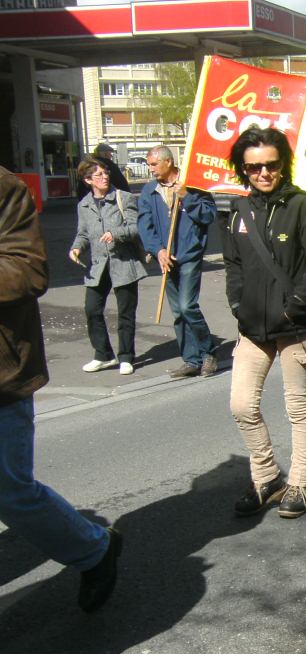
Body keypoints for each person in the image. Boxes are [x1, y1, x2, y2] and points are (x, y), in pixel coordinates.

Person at [1, 166, 123, 612]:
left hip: (2, 376)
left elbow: (28, 271)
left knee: (8, 491)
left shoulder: (4, 187)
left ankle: (94, 549)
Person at [222, 127, 306, 519]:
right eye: (254, 168)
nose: (263, 173)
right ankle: (267, 476)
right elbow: (233, 265)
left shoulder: (303, 206)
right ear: (243, 169)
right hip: (252, 327)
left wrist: (294, 307)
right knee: (241, 405)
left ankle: (299, 483)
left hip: (295, 327)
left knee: (297, 407)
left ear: (283, 164)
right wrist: (237, 304)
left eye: (271, 165)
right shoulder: (238, 212)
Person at [137, 145, 218, 378]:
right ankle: (191, 359)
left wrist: (187, 197)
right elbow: (145, 225)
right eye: (149, 164)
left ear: (168, 162)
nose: (150, 169)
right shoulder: (150, 191)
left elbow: (208, 215)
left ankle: (208, 352)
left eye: (153, 164)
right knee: (178, 312)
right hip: (167, 258)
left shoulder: (191, 185)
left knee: (187, 306)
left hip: (189, 254)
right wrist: (158, 250)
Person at [69, 157, 148, 375]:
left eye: (106, 173)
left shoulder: (124, 198)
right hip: (98, 265)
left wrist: (116, 234)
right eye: (99, 175)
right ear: (88, 180)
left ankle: (126, 357)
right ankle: (103, 355)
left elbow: (136, 228)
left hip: (123, 263)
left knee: (125, 312)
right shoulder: (83, 205)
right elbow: (83, 233)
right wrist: (76, 248)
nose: (104, 177)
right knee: (92, 310)